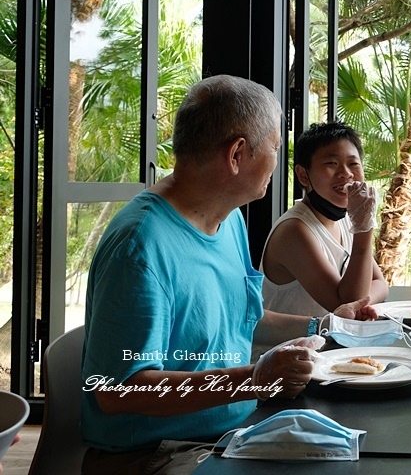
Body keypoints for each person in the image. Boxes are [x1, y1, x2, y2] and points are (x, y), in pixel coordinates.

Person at [81, 75, 377, 474]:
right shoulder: (141, 245)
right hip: (155, 453)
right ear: (237, 154)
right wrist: (253, 380)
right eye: (274, 147)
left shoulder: (229, 220)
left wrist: (324, 324)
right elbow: (117, 391)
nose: (277, 160)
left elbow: (244, 321)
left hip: (233, 430)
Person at [258, 122, 388, 321]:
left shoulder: (344, 218)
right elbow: (346, 306)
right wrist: (364, 229)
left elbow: (379, 282)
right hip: (289, 350)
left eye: (353, 164)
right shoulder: (295, 230)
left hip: (331, 346)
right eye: (332, 164)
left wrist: (361, 304)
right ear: (303, 175)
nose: (346, 173)